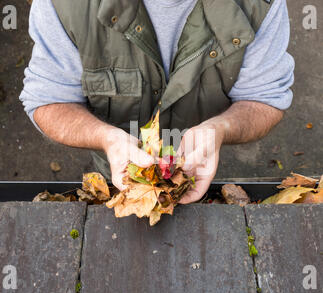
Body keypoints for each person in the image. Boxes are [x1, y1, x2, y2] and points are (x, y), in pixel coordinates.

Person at [20, 0, 294, 204]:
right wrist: (105, 138)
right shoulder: (64, 5)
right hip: (114, 177)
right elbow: (49, 100)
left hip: (198, 175)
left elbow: (263, 97)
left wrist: (220, 129)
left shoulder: (260, 4)